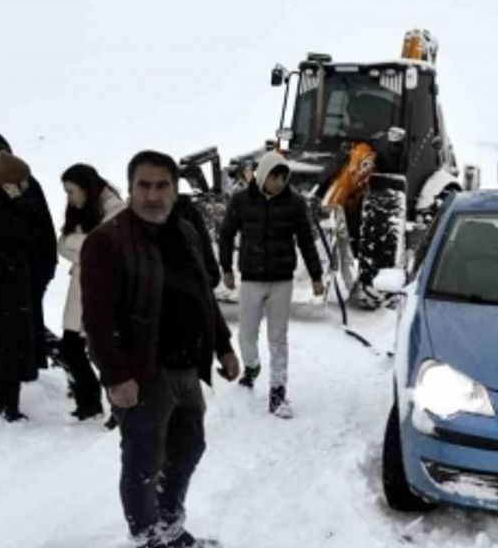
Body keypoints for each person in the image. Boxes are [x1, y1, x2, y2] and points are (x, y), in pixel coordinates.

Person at [81, 150, 239, 548]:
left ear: (175, 187)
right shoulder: (107, 241)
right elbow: (98, 319)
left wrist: (223, 346)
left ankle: (169, 527)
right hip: (143, 376)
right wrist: (117, 376)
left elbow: (203, 295)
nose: (153, 196)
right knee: (143, 464)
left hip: (187, 371)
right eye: (144, 186)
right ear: (131, 188)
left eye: (162, 185)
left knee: (188, 450)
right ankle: (149, 539)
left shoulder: (184, 231)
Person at [218, 151, 324, 419]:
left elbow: (306, 240)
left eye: (283, 178)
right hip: (251, 278)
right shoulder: (241, 201)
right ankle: (251, 367)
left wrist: (316, 275)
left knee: (278, 338)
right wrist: (227, 269)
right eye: (275, 177)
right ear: (263, 175)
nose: (279, 183)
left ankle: (278, 392)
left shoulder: (294, 203)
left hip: (281, 280)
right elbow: (227, 234)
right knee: (246, 335)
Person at [0, 134, 61, 370]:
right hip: (28, 266)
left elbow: (33, 226)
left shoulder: (21, 183)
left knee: (27, 319)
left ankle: (62, 356)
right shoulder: (14, 184)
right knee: (27, 318)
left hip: (32, 266)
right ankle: (56, 356)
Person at [56, 163, 126, 421]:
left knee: (104, 350)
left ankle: (119, 407)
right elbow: (62, 245)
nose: (69, 198)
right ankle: (88, 403)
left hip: (105, 290)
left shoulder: (115, 208)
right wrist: (84, 249)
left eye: (71, 191)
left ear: (86, 188)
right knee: (71, 347)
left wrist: (82, 249)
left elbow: (105, 249)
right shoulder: (81, 209)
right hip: (79, 287)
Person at [0, 152, 40, 421]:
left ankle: (4, 399)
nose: (26, 187)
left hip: (9, 283)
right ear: (9, 183)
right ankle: (1, 401)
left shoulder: (2, 205)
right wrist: (19, 202)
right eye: (21, 183)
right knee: (6, 345)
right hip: (1, 285)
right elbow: (28, 233)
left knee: (11, 344)